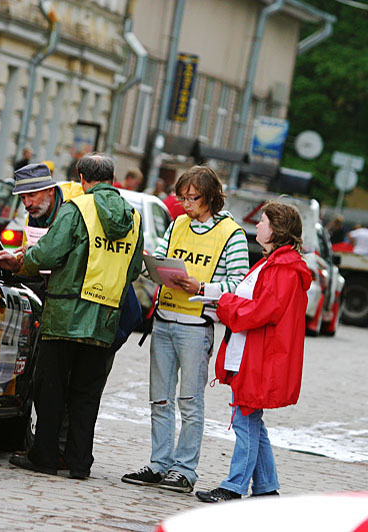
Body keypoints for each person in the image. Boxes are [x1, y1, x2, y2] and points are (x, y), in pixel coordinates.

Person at [0, 153, 144, 479]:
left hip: (66, 313)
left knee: (52, 387)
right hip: (104, 316)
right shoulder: (133, 216)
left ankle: (45, 456)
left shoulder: (77, 209)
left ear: (81, 176)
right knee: (87, 394)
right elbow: (132, 270)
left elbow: (49, 252)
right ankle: (79, 463)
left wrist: (22, 262)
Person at [122, 165, 249, 494]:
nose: (185, 205)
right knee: (159, 399)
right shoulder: (177, 223)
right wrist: (156, 268)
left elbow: (239, 284)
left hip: (196, 325)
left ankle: (184, 469)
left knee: (190, 402)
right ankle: (158, 462)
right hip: (164, 319)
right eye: (182, 198)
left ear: (209, 198)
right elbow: (163, 258)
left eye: (192, 198)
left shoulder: (231, 233)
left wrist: (201, 286)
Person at [195, 202, 312, 503]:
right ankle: (266, 488)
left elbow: (262, 311)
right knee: (251, 422)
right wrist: (219, 297)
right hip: (251, 353)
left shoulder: (282, 268)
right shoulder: (271, 263)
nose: (258, 226)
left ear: (277, 230)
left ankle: (234, 487)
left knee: (246, 422)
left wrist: (224, 304)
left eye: (262, 221)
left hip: (258, 357)